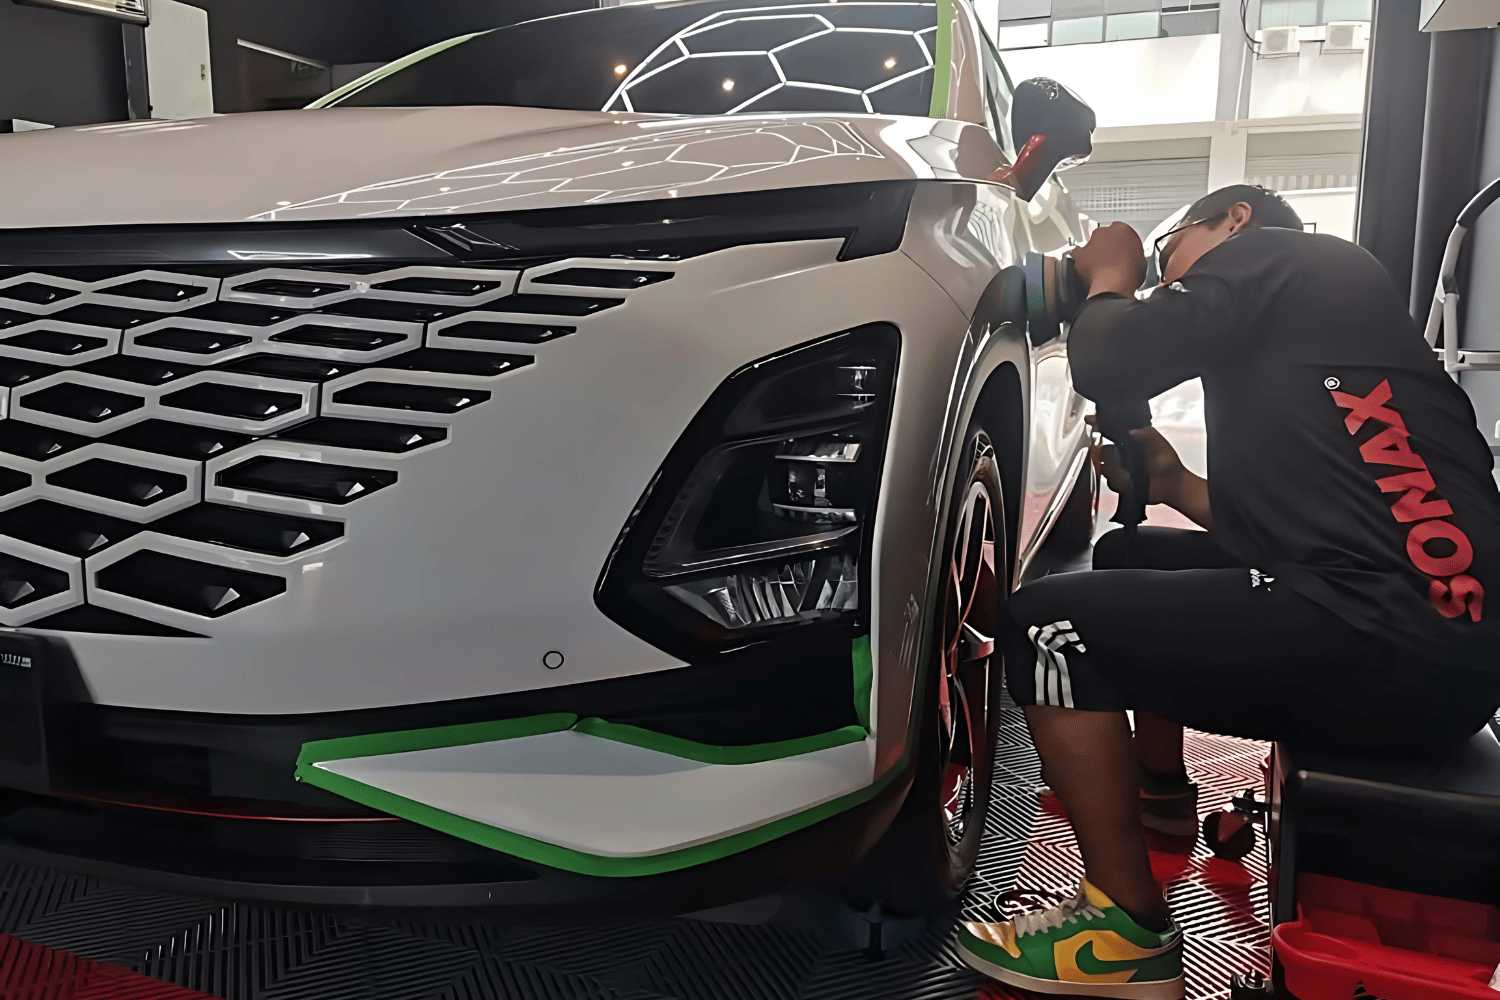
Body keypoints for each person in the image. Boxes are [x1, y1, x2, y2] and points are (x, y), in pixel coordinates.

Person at [955, 184, 1500, 1000]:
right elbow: (1291, 530)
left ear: (1234, 224)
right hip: (1429, 645)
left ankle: (1121, 930)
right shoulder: (1329, 312)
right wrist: (1173, 483)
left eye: (1175, 247)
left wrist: (1110, 276)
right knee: (1131, 555)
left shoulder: (1286, 255)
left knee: (1044, 624)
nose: (1165, 270)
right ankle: (1160, 793)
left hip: (1384, 639)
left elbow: (1115, 355)